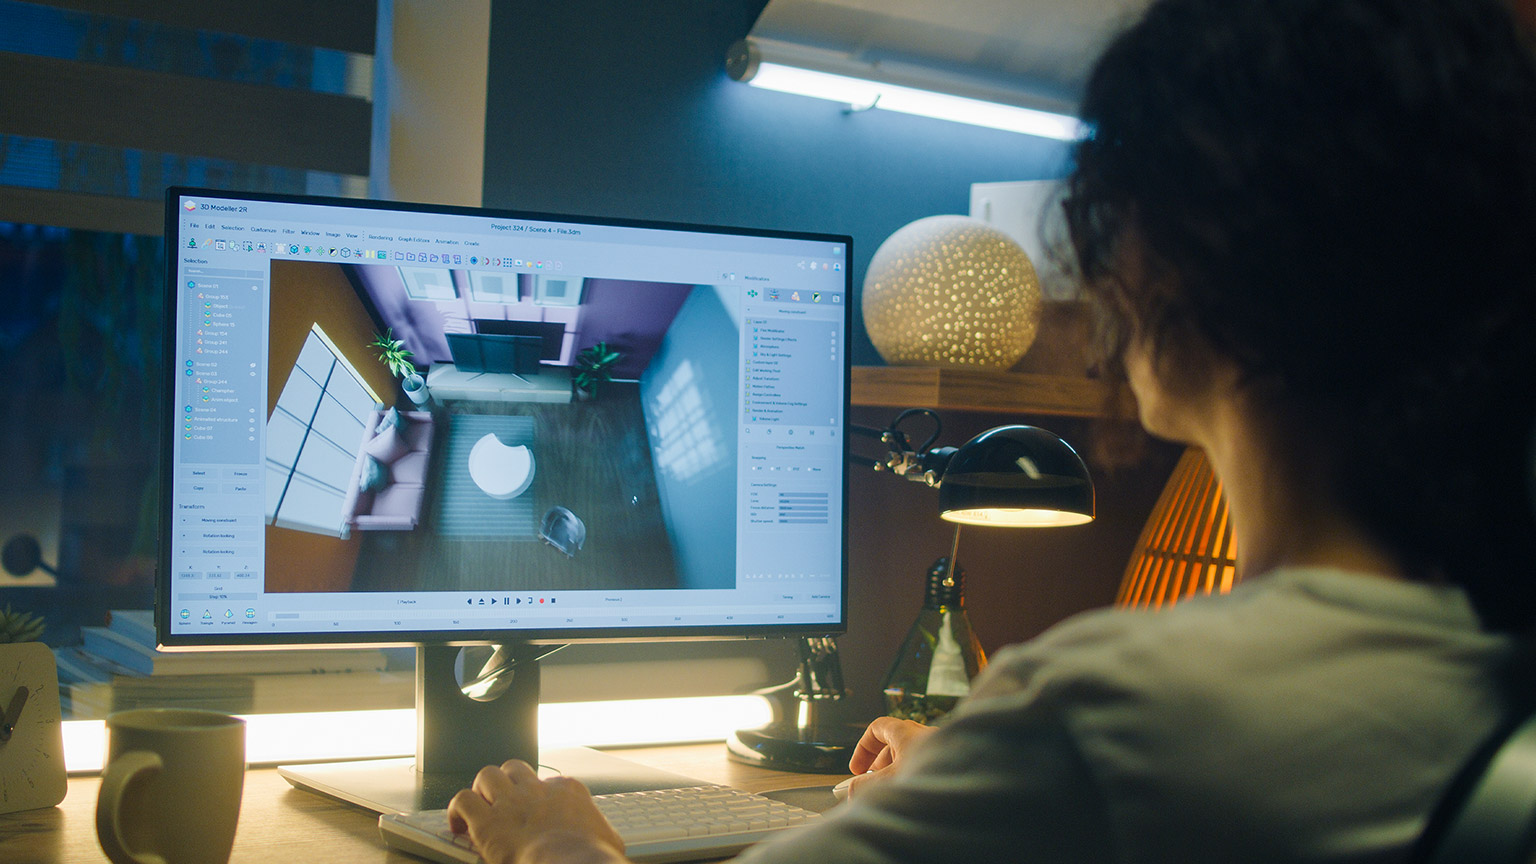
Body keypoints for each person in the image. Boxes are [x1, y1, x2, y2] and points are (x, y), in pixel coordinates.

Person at [446, 0, 1536, 860]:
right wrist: (987, 774)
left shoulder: (1114, 716)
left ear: (1176, 270)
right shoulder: (1487, 664)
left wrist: (551, 840)